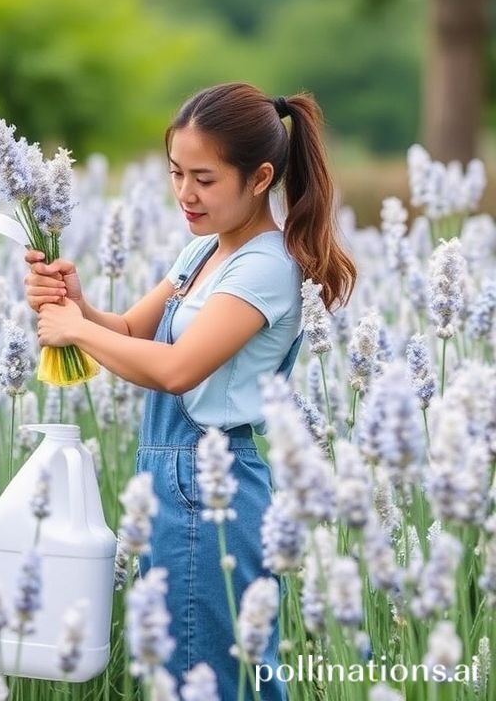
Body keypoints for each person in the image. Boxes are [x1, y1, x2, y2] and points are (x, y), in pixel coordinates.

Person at [23, 82, 356, 699]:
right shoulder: (204, 250)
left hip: (209, 489)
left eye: (204, 178)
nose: (185, 193)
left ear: (259, 179)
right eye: (176, 172)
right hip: (169, 483)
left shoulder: (265, 266)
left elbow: (178, 370)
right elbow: (130, 331)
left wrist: (74, 330)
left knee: (210, 680)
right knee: (186, 675)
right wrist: (76, 303)